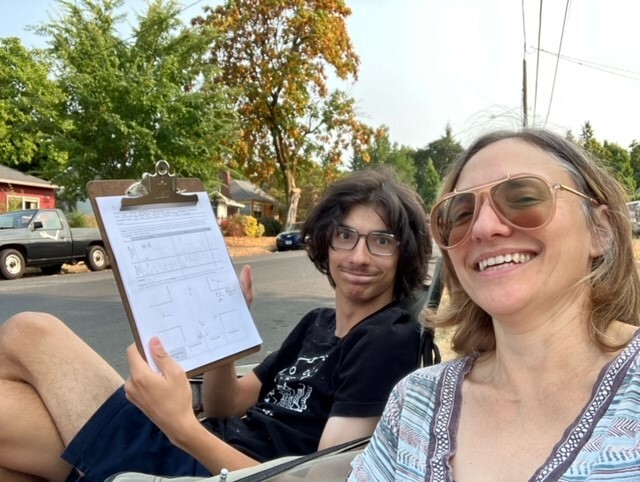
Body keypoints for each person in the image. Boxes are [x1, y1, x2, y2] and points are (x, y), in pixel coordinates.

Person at [0, 167, 432, 481]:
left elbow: (318, 476)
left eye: (381, 241)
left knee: (31, 329)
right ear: (325, 241)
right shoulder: (316, 323)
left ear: (405, 253)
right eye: (346, 236)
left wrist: (179, 425)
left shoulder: (387, 339)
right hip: (199, 444)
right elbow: (228, 403)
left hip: (202, 468)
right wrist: (226, 327)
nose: (358, 256)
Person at [349, 128, 640, 481]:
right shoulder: (414, 403)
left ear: (601, 230)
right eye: (459, 214)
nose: (483, 228)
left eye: (524, 198)